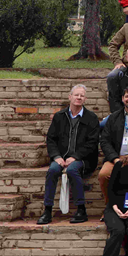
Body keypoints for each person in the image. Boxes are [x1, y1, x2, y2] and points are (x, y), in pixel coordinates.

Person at [36, 85, 100, 225]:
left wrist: (76, 157)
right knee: (52, 170)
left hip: (83, 158)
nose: (79, 97)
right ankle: (47, 210)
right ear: (69, 97)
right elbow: (51, 139)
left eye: (81, 95)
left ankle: (81, 210)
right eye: (76, 95)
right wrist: (56, 156)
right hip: (61, 157)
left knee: (72, 170)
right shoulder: (60, 116)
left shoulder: (91, 118)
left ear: (85, 99)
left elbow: (92, 142)